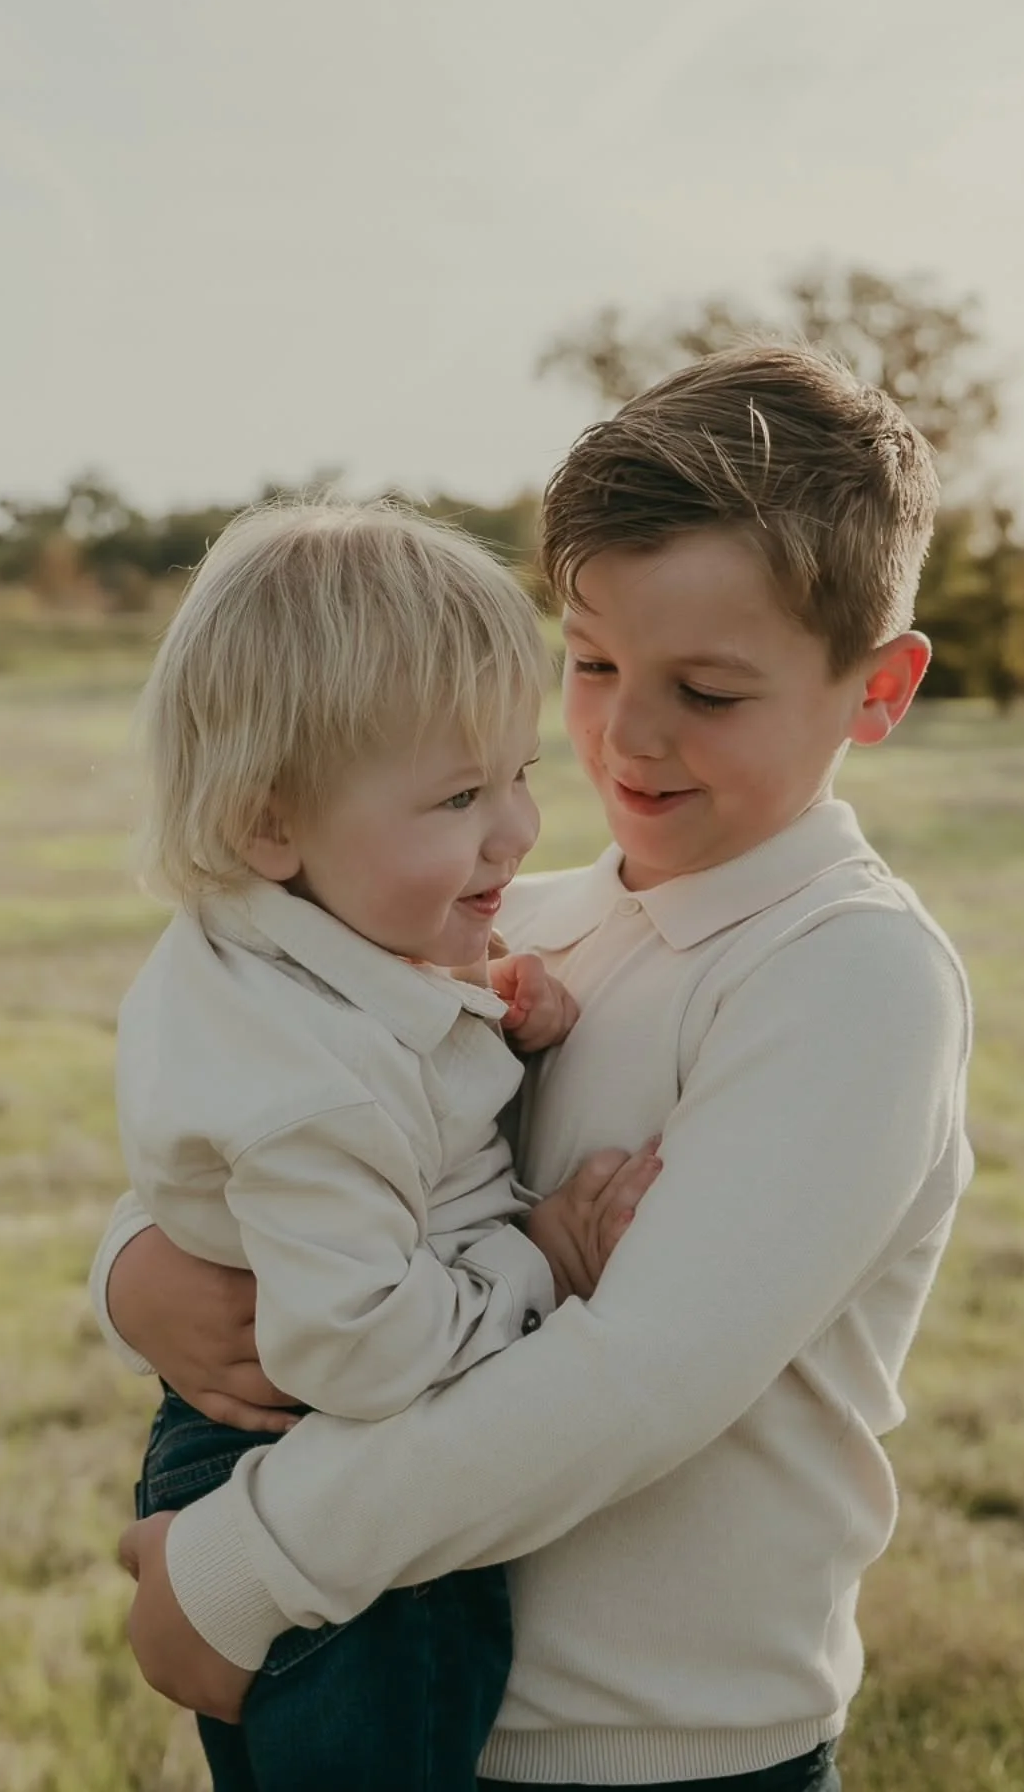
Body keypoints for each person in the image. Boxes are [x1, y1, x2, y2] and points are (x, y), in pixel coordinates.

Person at [101, 345, 975, 1792]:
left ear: (876, 690)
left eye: (708, 690)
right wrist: (136, 1264)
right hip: (408, 1691)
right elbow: (280, 1124)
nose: (628, 733)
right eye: (594, 663)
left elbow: (633, 1379)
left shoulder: (848, 978)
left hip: (663, 1748)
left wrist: (243, 1565)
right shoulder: (516, 924)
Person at [107, 499, 660, 1792]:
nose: (517, 831)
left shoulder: (270, 951)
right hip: (324, 1492)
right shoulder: (313, 1093)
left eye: (517, 772)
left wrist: (483, 1014)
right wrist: (542, 1258)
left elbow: (353, 1076)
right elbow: (360, 1353)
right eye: (459, 796)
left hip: (276, 1459)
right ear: (271, 824)